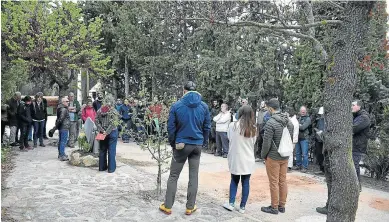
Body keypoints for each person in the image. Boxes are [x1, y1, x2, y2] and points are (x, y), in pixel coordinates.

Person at [159, 81, 211, 216]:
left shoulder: (176, 106)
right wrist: (202, 142)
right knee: (193, 175)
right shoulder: (204, 106)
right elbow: (207, 127)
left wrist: (172, 143)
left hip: (181, 145)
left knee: (174, 176)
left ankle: (168, 206)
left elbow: (170, 128)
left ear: (184, 91)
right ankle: (190, 206)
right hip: (197, 145)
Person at [261, 98, 293, 215]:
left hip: (273, 157)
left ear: (270, 108)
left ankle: (274, 207)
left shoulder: (271, 122)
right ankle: (282, 205)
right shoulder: (288, 121)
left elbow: (266, 143)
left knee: (273, 182)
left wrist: (263, 155)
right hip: (285, 156)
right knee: (282, 181)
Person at [222, 105, 257, 214]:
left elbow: (229, 137)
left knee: (234, 181)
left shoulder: (233, 125)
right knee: (246, 182)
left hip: (236, 157)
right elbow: (254, 142)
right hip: (248, 158)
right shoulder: (254, 128)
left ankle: (231, 203)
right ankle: (242, 207)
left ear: (240, 113)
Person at [95, 94, 120, 173]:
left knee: (102, 150)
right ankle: (111, 169)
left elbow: (96, 121)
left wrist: (102, 130)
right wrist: (107, 132)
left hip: (102, 133)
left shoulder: (100, 110)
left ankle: (102, 167)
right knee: (111, 151)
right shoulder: (114, 111)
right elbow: (114, 123)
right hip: (112, 132)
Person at [352, 100, 370, 191]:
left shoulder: (364, 118)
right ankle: (357, 186)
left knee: (354, 166)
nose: (351, 106)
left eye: (353, 105)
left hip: (357, 146)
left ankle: (357, 186)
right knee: (354, 166)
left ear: (359, 106)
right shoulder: (357, 117)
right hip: (354, 145)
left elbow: (354, 129)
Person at [293, 106, 311, 173]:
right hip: (298, 138)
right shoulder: (298, 118)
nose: (303, 112)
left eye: (304, 111)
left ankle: (304, 167)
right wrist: (299, 125)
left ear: (306, 111)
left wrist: (298, 125)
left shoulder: (308, 119)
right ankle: (298, 165)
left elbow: (303, 127)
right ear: (300, 111)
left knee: (305, 154)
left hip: (304, 139)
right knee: (297, 153)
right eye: (301, 111)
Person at [314, 107, 325, 175]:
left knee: (325, 155)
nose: (321, 115)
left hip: (325, 140)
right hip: (318, 140)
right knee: (319, 155)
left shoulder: (328, 120)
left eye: (322, 114)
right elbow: (317, 127)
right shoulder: (319, 120)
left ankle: (325, 170)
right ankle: (321, 169)